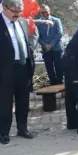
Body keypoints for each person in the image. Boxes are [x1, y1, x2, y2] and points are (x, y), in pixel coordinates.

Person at [0, 0, 36, 144]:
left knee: (23, 101)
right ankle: (3, 132)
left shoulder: (22, 22)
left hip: (23, 67)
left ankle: (22, 128)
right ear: (4, 7)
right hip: (5, 70)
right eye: (14, 11)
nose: (17, 15)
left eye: (19, 12)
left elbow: (26, 44)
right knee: (5, 103)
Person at [36, 4, 64, 85]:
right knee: (49, 68)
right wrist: (45, 45)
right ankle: (52, 83)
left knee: (59, 67)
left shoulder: (56, 20)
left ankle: (60, 83)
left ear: (49, 11)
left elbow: (59, 33)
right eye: (42, 12)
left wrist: (51, 44)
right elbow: (37, 36)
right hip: (45, 49)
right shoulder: (39, 22)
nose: (44, 14)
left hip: (57, 48)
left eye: (46, 12)